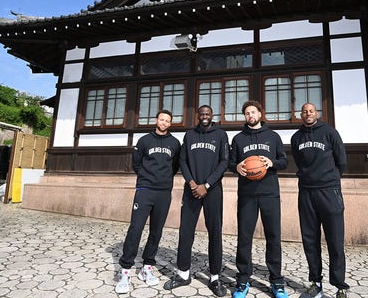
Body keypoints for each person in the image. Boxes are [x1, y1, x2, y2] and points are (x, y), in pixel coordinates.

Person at [163, 105, 229, 297]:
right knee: (185, 231)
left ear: (212, 115)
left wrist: (206, 185)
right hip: (191, 190)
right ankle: (183, 274)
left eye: (208, 114)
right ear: (198, 116)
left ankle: (215, 277)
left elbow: (224, 161)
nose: (205, 117)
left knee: (215, 232)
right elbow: (182, 161)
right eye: (202, 114)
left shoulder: (221, 135)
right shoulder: (189, 135)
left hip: (213, 190)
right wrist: (192, 183)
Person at [115, 110, 181, 294]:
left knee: (156, 231)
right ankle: (125, 271)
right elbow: (136, 163)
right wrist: (146, 177)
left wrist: (163, 179)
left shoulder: (175, 143)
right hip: (145, 190)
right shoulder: (144, 140)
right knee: (135, 228)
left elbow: (175, 166)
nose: (164, 123)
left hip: (163, 192)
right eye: (162, 119)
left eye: (168, 121)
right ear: (156, 120)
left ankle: (147, 267)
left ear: (170, 123)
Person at [228, 100, 288, 298]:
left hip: (270, 193)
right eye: (247, 113)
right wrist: (236, 167)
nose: (250, 115)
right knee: (244, 238)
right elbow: (230, 162)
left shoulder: (273, 136)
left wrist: (272, 162)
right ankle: (243, 280)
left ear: (260, 114)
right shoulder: (238, 139)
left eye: (253, 112)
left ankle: (277, 281)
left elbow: (284, 161)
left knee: (273, 237)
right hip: (247, 195)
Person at [291, 103, 350, 298]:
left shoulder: (330, 133)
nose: (308, 114)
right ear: (301, 115)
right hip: (307, 192)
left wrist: (330, 179)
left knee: (335, 240)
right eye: (305, 111)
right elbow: (300, 162)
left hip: (328, 191)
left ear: (317, 113)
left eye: (311, 111)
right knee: (310, 240)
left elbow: (341, 161)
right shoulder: (296, 137)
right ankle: (315, 282)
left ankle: (339, 285)